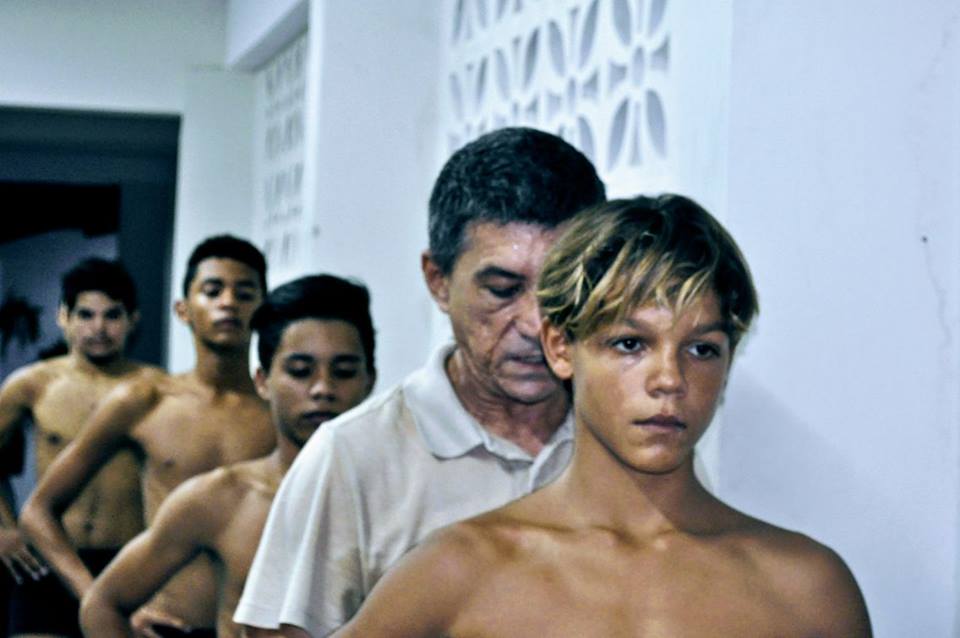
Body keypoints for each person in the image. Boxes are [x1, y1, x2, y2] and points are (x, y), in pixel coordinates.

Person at [333, 195, 873, 637]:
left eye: (702, 349)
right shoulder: (460, 571)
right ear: (560, 348)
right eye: (630, 343)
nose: (670, 379)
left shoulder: (807, 589)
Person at [236, 127, 606, 637]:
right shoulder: (352, 455)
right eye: (503, 290)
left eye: (563, 289)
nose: (536, 322)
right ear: (438, 281)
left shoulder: (627, 437)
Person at [79, 275, 377, 638]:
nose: (322, 389)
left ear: (370, 380)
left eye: (344, 372)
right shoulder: (222, 499)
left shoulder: (400, 501)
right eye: (300, 371)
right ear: (263, 381)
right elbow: (102, 604)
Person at [21, 236, 276, 637]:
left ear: (265, 309)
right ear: (183, 309)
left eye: (245, 293)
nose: (229, 302)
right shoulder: (147, 402)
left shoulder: (282, 414)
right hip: (165, 626)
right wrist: (99, 599)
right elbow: (39, 511)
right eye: (213, 291)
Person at [0, 258, 157, 638]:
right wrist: (3, 529)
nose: (98, 328)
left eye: (112, 315)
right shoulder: (32, 384)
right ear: (63, 317)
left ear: (133, 320)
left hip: (125, 563)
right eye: (85, 315)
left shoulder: (155, 389)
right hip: (45, 561)